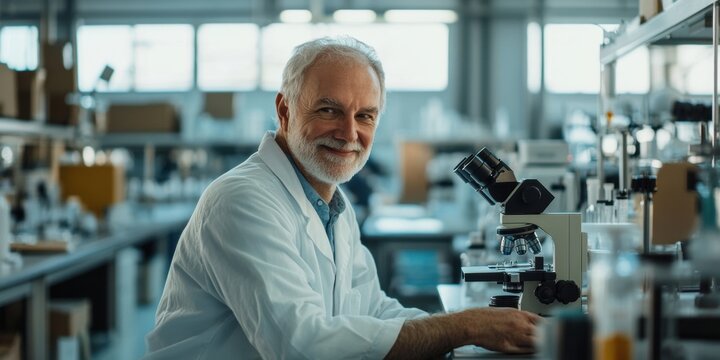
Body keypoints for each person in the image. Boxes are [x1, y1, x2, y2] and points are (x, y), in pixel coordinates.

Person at [145, 36, 539, 359]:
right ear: (285, 110)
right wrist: (462, 327)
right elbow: (302, 345)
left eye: (365, 115)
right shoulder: (241, 200)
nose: (349, 133)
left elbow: (373, 310)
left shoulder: (333, 206)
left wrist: (468, 338)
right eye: (329, 110)